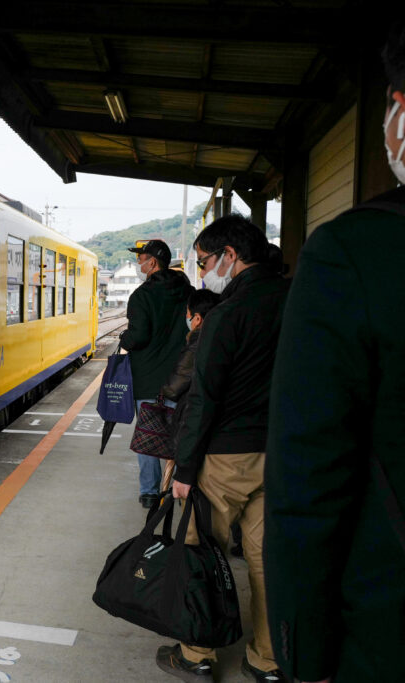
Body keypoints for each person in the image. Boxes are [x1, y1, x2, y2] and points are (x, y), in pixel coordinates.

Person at [263, 23, 405, 683]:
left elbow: (307, 479)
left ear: (398, 113)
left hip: (383, 635)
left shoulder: (354, 253)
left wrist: (304, 652)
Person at [156, 216, 289, 683]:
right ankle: (268, 659)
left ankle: (197, 653)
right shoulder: (296, 300)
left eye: (206, 261)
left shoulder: (228, 315)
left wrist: (185, 467)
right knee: (267, 561)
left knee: (201, 553)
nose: (205, 271)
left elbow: (204, 396)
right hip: (283, 456)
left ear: (231, 255)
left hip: (225, 458)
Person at [119, 239, 192, 508]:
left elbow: (138, 337)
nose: (139, 263)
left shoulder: (142, 296)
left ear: (153, 262)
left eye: (142, 258)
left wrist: (125, 337)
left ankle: (150, 492)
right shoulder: (188, 292)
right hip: (182, 376)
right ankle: (179, 485)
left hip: (149, 379)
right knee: (182, 433)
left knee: (148, 435)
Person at [158, 289, 220, 486]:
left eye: (188, 314)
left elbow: (174, 387)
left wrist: (163, 390)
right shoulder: (220, 336)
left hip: (193, 416)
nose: (187, 318)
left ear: (198, 318)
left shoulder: (196, 345)